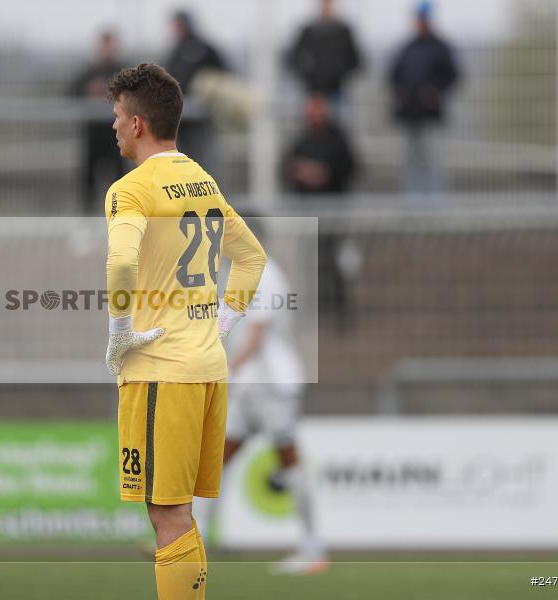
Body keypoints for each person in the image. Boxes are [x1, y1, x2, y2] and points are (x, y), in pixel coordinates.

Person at [104, 63, 267, 599]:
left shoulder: (130, 190)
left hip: (161, 372)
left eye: (117, 116)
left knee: (167, 516)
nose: (113, 127)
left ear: (136, 125)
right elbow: (251, 257)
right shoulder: (202, 179)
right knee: (180, 515)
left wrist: (120, 329)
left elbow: (122, 265)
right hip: (207, 369)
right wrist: (225, 320)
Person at [193, 218, 327, 575]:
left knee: (288, 459)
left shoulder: (265, 276)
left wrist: (223, 367)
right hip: (248, 385)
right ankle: (195, 541)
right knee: (218, 457)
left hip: (270, 384)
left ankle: (313, 548)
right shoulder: (239, 274)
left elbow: (255, 335)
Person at [283, 94, 358, 326]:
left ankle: (338, 309)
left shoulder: (338, 139)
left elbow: (349, 167)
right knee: (307, 260)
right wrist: (301, 174)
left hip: (332, 212)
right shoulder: (301, 140)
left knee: (332, 259)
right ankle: (310, 307)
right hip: (307, 213)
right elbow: (286, 168)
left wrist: (324, 174)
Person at [388, 0, 460, 198]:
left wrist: (435, 91)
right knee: (410, 162)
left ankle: (436, 206)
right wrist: (399, 93)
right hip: (409, 114)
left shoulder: (440, 48)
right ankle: (411, 205)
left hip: (430, 115)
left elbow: (452, 76)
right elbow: (393, 76)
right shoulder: (407, 49)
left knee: (433, 160)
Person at [70, 31, 125, 214]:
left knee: (120, 185)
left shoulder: (123, 72)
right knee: (89, 185)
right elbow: (71, 92)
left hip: (118, 139)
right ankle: (88, 225)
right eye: (104, 46)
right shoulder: (88, 73)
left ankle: (121, 223)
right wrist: (89, 92)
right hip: (93, 136)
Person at [164, 11, 227, 168]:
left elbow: (223, 71)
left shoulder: (202, 47)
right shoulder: (176, 51)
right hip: (179, 120)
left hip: (200, 119)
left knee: (201, 160)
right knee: (181, 161)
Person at [285, 0, 361, 118]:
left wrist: (339, 73)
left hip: (337, 90)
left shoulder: (343, 31)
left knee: (338, 126)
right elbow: (292, 59)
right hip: (312, 94)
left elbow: (356, 60)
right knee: (312, 128)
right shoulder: (309, 31)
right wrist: (308, 75)